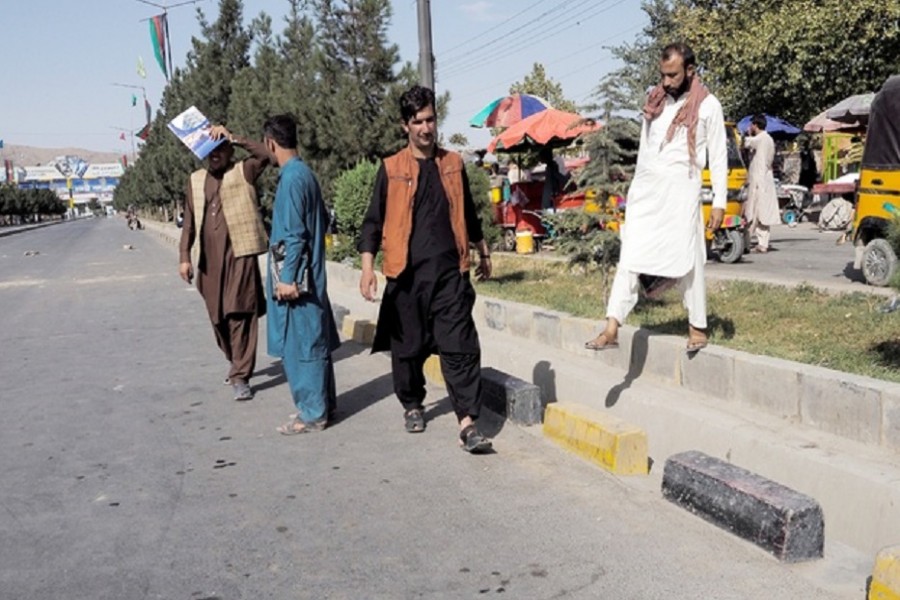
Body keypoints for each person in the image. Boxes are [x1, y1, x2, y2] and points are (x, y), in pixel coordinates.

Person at [358, 85, 494, 454]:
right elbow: (372, 223)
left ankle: (467, 423)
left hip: (451, 274)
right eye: (417, 121)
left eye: (430, 119)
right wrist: (368, 269)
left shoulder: (453, 164)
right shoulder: (391, 169)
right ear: (405, 126)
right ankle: (412, 404)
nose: (425, 128)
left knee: (461, 346)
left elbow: (467, 213)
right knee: (407, 350)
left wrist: (483, 251)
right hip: (406, 277)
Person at [584, 42, 728, 354]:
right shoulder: (656, 101)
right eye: (663, 75)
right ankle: (612, 326)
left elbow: (717, 156)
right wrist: (635, 191)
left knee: (689, 258)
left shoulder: (708, 106)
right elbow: (645, 151)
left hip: (683, 190)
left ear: (690, 70)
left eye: (673, 75)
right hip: (648, 191)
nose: (665, 82)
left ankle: (697, 326)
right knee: (632, 254)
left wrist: (719, 201)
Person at [178, 124, 270, 401]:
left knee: (238, 313)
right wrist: (184, 257)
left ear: (229, 151)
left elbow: (266, 155)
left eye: (220, 148)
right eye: (210, 150)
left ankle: (241, 375)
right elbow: (189, 224)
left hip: (240, 257)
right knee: (218, 319)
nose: (215, 154)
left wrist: (234, 136)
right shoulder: (195, 180)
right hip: (209, 264)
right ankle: (235, 362)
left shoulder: (244, 171)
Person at [262, 114, 341, 435]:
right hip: (312, 276)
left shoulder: (293, 180)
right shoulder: (304, 174)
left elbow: (294, 235)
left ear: (271, 143)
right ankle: (325, 405)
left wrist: (288, 278)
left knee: (303, 346)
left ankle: (311, 413)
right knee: (315, 343)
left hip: (299, 282)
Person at [744, 114, 781, 253]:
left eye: (752, 125)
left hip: (759, 180)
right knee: (759, 212)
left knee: (757, 212)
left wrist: (748, 134)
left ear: (755, 125)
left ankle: (757, 243)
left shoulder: (760, 138)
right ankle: (760, 242)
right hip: (764, 178)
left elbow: (747, 143)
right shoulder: (769, 139)